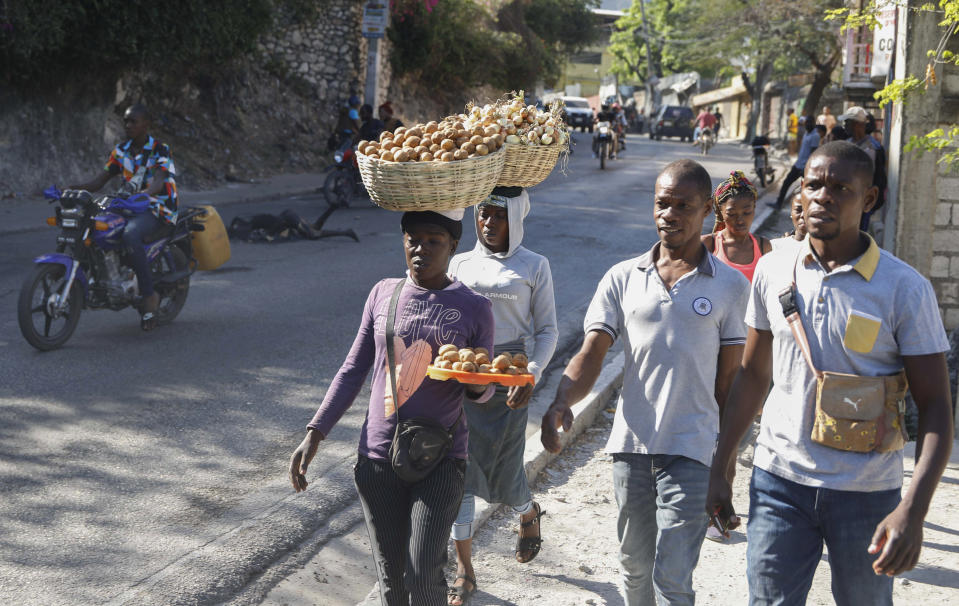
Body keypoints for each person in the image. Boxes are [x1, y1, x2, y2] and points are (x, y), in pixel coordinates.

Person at [706, 141, 954, 606]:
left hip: (867, 495)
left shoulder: (904, 289)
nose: (823, 196)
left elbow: (937, 406)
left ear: (871, 198)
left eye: (841, 188)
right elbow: (753, 376)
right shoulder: (774, 269)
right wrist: (720, 466)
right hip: (778, 482)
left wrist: (913, 511)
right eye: (815, 185)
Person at [541, 159, 750, 606]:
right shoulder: (623, 277)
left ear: (707, 210)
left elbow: (729, 384)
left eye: (683, 206)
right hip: (631, 446)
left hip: (693, 448)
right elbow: (592, 351)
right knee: (634, 568)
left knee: (672, 577)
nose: (669, 214)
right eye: (662, 204)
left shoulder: (730, 286)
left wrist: (724, 466)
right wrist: (563, 399)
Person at [288, 209, 495, 606]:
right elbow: (353, 370)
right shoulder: (383, 293)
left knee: (422, 575)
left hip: (442, 458)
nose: (421, 249)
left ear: (453, 245)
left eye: (434, 241)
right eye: (412, 239)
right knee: (392, 581)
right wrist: (314, 434)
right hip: (379, 456)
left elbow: (482, 392)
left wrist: (476, 384)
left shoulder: (475, 307)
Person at [446, 187, 559, 605]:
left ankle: (527, 511)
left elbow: (548, 330)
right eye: (483, 214)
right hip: (465, 372)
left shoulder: (535, 265)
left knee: (504, 469)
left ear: (517, 216)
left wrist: (530, 374)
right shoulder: (460, 262)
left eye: (499, 215)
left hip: (510, 377)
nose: (489, 223)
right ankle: (464, 570)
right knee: (459, 473)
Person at [67, 103, 177, 331]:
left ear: (146, 124)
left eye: (133, 121)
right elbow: (99, 182)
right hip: (127, 205)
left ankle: (149, 296)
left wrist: (142, 194)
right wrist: (69, 189)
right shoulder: (121, 151)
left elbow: (158, 183)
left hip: (157, 207)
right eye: (126, 121)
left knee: (130, 234)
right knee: (95, 224)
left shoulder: (160, 149)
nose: (128, 125)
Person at [703, 171, 772, 284]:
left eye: (747, 212)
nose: (740, 221)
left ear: (754, 209)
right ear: (721, 212)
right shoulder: (708, 245)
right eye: (732, 214)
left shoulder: (764, 247)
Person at [770, 116, 821, 208]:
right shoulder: (806, 134)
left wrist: (807, 167)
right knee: (786, 182)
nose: (808, 124)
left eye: (810, 122)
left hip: (805, 167)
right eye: (807, 123)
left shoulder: (815, 136)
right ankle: (779, 203)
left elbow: (813, 154)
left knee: (810, 189)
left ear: (814, 123)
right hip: (798, 165)